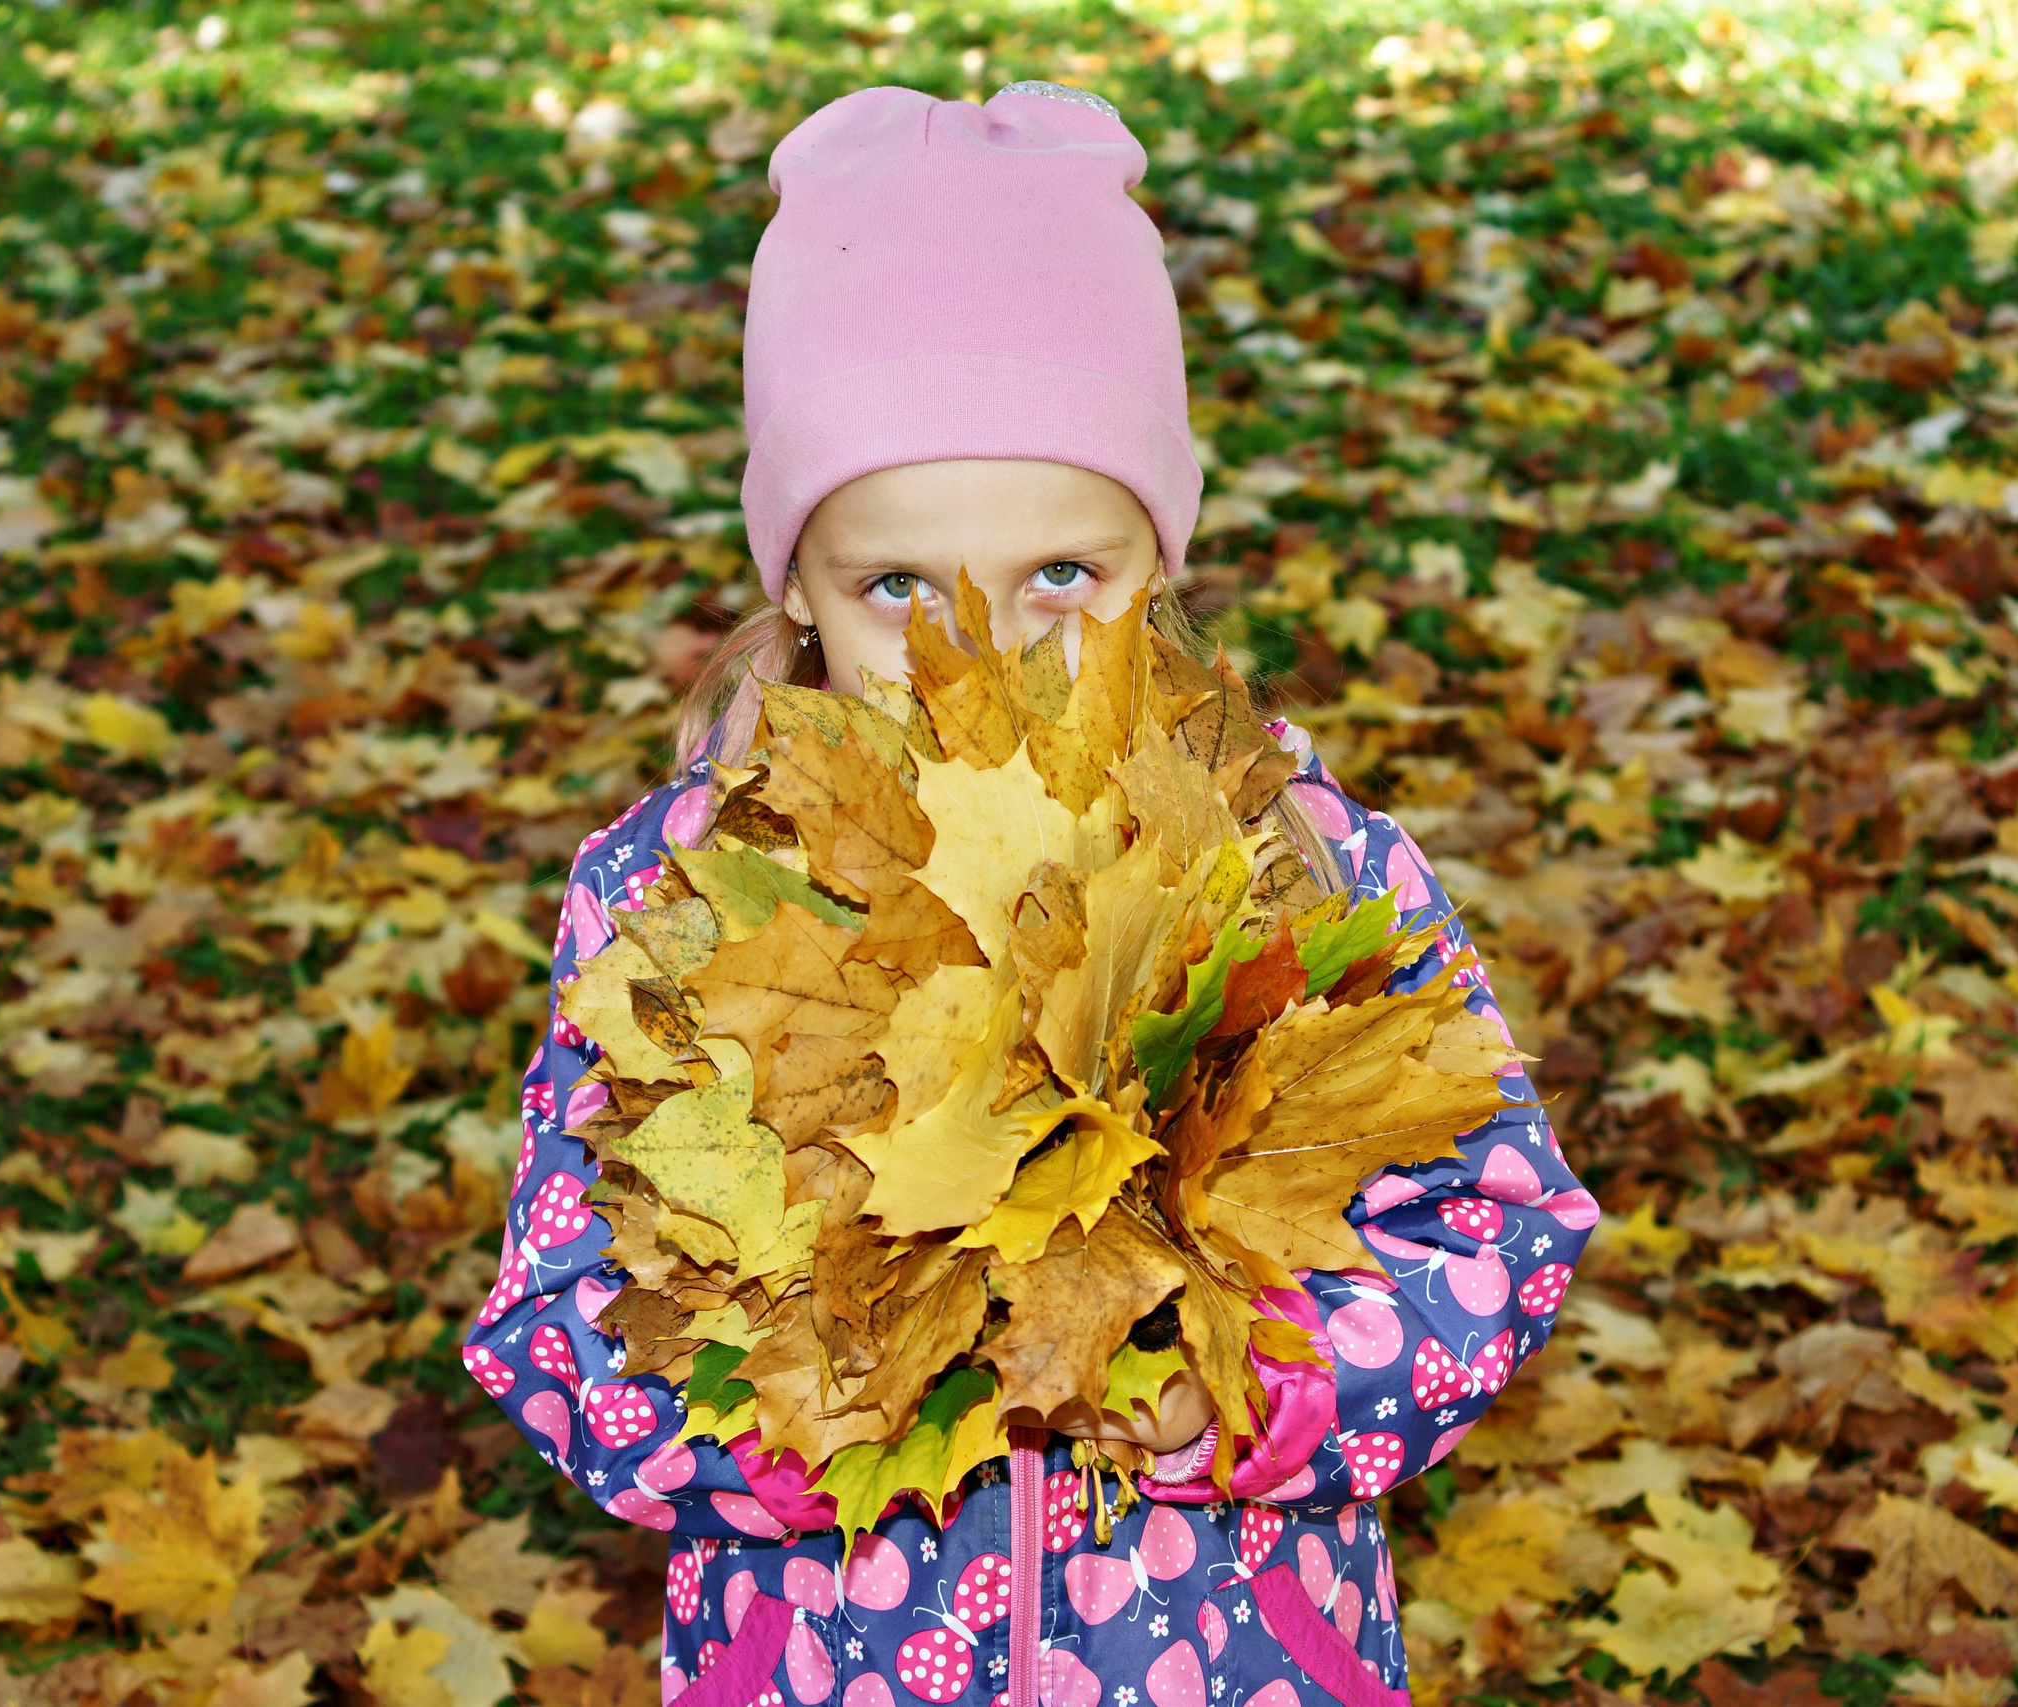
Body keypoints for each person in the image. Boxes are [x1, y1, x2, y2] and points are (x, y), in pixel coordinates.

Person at [463, 82, 1596, 1707]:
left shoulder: (1295, 861)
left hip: (1225, 1666)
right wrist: (788, 1426)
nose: (975, 657)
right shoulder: (683, 901)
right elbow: (560, 1318)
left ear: (1162, 563)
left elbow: (1490, 1220)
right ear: (792, 580)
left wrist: (1261, 1394)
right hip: (833, 1666)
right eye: (898, 588)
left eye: (1061, 578)